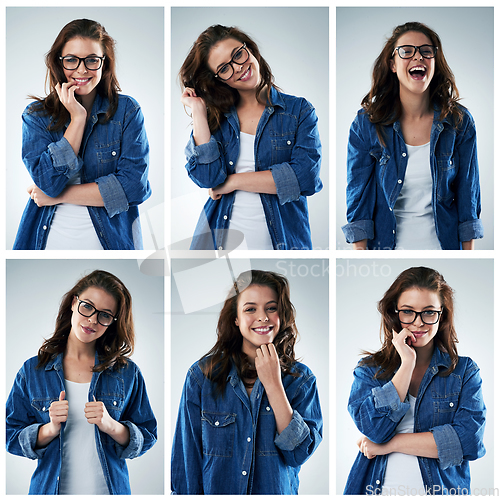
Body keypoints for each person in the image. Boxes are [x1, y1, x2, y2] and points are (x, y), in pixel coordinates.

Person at [171, 270, 323, 494]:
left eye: (271, 308)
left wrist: (273, 385)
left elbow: (299, 453)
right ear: (236, 318)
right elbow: (187, 461)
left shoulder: (301, 380)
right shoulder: (201, 376)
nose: (263, 317)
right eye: (250, 309)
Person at [6, 270, 157, 494]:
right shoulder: (32, 371)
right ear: (74, 303)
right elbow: (10, 435)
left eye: (104, 315)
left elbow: (148, 435)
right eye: (87, 306)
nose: (92, 320)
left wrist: (111, 425)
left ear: (112, 323)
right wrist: (49, 428)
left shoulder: (127, 373)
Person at [179, 25, 322, 250]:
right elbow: (207, 178)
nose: (238, 68)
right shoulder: (216, 119)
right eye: (224, 68)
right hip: (217, 245)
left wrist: (232, 181)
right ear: (219, 79)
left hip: (283, 243)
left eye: (238, 54)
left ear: (250, 49)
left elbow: (305, 178)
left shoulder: (298, 110)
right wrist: (198, 111)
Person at [342, 22, 483, 250]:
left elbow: (468, 195)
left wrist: (467, 255)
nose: (418, 57)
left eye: (426, 51)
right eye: (407, 51)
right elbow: (359, 199)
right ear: (393, 65)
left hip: (444, 248)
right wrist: (361, 257)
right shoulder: (367, 124)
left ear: (435, 63)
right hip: (385, 250)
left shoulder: (459, 121)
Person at [344, 267, 485, 494]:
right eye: (408, 312)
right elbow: (374, 429)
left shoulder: (464, 371)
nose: (418, 323)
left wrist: (389, 444)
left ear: (442, 315)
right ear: (394, 313)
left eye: (429, 312)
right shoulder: (369, 370)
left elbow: (469, 441)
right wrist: (406, 364)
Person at [13, 19, 151, 250]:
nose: (81, 69)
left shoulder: (126, 111)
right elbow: (48, 182)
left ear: (104, 63)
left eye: (91, 60)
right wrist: (78, 119)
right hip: (46, 242)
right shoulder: (36, 116)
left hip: (112, 244)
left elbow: (135, 187)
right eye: (71, 60)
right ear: (59, 62)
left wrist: (57, 196)